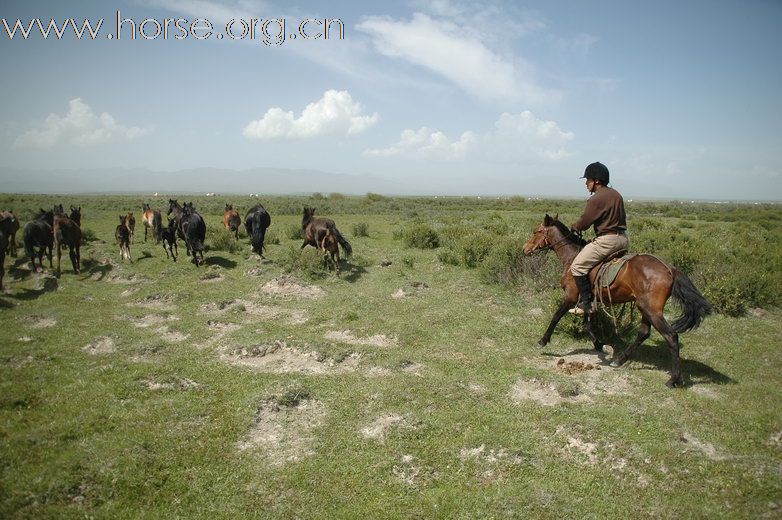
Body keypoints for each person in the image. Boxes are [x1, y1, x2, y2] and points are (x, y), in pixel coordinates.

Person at [569, 162, 628, 315]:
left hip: (607, 241)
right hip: (623, 240)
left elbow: (585, 222)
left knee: (577, 266)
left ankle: (586, 304)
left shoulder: (596, 199)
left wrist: (575, 227)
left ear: (596, 180)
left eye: (587, 179)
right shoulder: (616, 194)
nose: (585, 183)